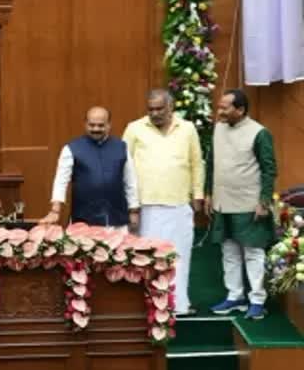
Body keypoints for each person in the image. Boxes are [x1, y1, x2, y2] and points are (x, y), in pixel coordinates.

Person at [123, 89, 204, 316]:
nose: (155, 113)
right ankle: (149, 304)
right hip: (145, 206)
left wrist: (198, 194)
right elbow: (124, 166)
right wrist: (131, 205)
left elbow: (197, 164)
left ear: (171, 107)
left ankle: (179, 305)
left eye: (160, 109)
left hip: (179, 204)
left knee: (180, 256)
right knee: (147, 258)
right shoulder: (134, 128)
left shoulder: (187, 128)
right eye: (151, 109)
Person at [207, 89, 277, 320]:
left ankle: (257, 299)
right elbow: (211, 163)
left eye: (225, 108)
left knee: (253, 253)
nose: (220, 112)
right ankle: (235, 296)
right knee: (229, 252)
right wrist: (208, 193)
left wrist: (264, 201)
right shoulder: (218, 129)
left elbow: (269, 170)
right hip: (222, 203)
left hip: (249, 205)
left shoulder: (259, 133)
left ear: (240, 110)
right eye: (219, 107)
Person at [42, 106, 140, 231]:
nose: (96, 129)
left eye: (101, 125)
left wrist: (134, 210)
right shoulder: (71, 148)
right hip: (84, 222)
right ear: (85, 124)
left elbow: (130, 181)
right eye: (91, 125)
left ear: (109, 124)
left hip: (117, 221)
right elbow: (61, 181)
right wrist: (55, 209)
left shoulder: (121, 147)